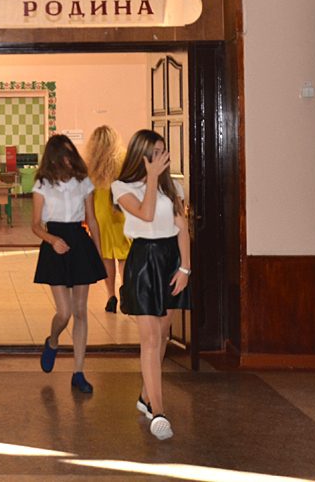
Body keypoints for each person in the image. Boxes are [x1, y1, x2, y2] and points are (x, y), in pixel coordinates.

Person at [111, 129, 190, 440]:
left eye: (163, 151)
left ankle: (146, 397)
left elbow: (182, 226)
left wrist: (185, 268)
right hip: (144, 260)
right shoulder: (122, 187)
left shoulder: (173, 186)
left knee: (163, 333)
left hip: (171, 260)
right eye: (155, 153)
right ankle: (158, 411)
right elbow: (145, 214)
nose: (162, 157)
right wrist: (152, 177)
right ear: (141, 155)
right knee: (151, 339)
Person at [32, 134, 107, 394]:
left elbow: (92, 220)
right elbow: (35, 225)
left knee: (80, 311)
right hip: (55, 244)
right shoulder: (42, 183)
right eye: (62, 155)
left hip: (79, 243)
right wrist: (53, 240)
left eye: (70, 154)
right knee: (63, 313)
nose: (67, 159)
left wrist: (98, 253)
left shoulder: (83, 181)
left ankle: (78, 372)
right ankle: (52, 341)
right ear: (53, 158)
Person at [85, 126, 131, 313]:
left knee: (106, 255)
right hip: (121, 210)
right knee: (124, 255)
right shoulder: (125, 159)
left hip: (100, 213)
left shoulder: (90, 165)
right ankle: (125, 291)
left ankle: (111, 295)